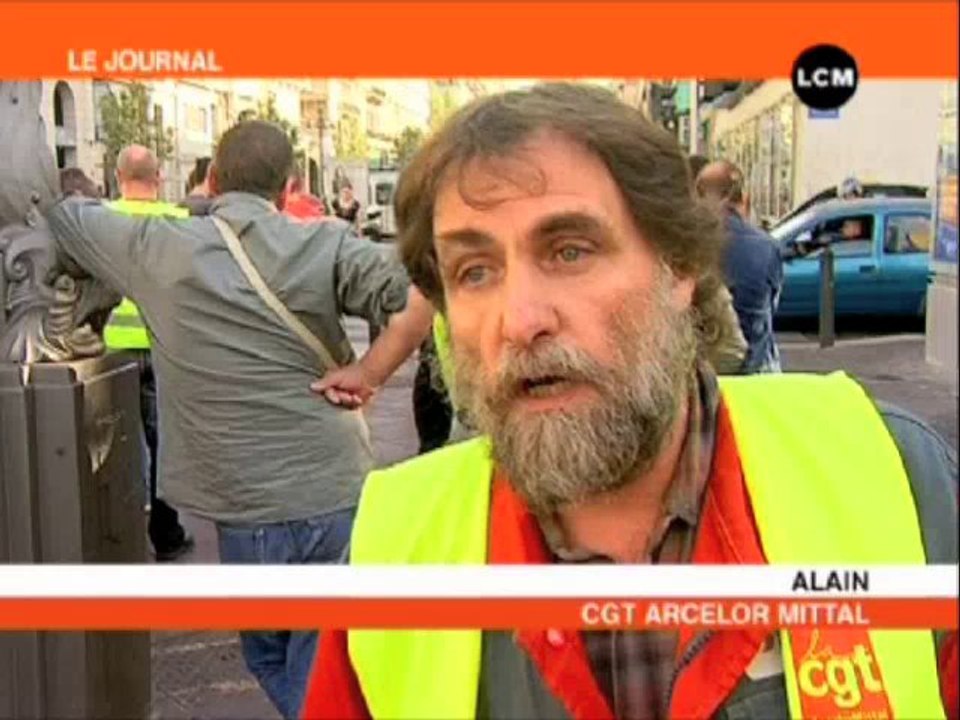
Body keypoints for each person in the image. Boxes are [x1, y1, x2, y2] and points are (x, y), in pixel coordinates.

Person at [302, 83, 958, 720]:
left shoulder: (893, 475)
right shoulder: (395, 550)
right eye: (475, 272)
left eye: (570, 251)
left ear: (680, 268)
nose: (520, 320)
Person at [47, 121, 434, 720]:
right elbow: (423, 291)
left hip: (246, 504)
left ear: (213, 179)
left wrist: (193, 207)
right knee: (314, 658)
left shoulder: (159, 247)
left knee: (272, 656)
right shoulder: (324, 243)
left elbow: (65, 216)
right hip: (335, 486)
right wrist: (370, 371)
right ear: (290, 186)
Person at [104, 144, 194, 563]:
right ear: (158, 178)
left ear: (117, 177)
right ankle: (166, 535)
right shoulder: (179, 222)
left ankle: (114, 533)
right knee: (163, 446)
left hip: (111, 351)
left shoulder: (100, 220)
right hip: (164, 348)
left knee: (112, 445)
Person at [696, 160, 783, 374]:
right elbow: (771, 305)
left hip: (700, 372)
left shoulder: (684, 243)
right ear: (744, 198)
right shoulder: (766, 246)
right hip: (754, 372)